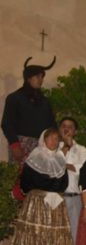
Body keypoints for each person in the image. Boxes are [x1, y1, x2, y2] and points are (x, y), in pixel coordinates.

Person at [3, 128, 73, 245]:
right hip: (37, 204)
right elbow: (27, 182)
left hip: (55, 205)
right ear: (44, 140)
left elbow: (63, 183)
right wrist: (48, 187)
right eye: (51, 138)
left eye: (57, 139)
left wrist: (51, 187)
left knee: (55, 241)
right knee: (36, 239)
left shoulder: (59, 159)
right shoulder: (34, 158)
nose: (54, 141)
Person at [2, 56, 57, 200]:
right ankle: (15, 217)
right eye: (38, 76)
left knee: (39, 182)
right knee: (19, 180)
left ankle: (33, 215)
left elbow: (52, 126)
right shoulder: (14, 98)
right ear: (28, 78)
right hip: (21, 145)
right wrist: (14, 145)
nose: (41, 80)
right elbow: (7, 123)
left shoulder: (45, 102)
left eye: (42, 77)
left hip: (41, 147)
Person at [59, 117, 86, 244]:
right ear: (59, 129)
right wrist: (64, 149)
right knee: (57, 233)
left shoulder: (82, 150)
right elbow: (53, 168)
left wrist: (65, 165)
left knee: (75, 234)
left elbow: (83, 170)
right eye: (64, 126)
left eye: (70, 127)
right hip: (57, 197)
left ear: (75, 131)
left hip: (75, 197)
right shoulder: (54, 147)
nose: (66, 129)